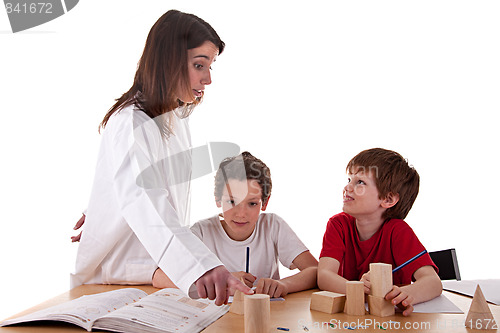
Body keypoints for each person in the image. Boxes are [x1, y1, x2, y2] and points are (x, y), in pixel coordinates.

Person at [70, 9, 252, 306]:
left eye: (211, 67)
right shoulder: (132, 121)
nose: (207, 79)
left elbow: (138, 185)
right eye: (198, 65)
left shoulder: (173, 119)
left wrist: (105, 205)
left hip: (149, 267)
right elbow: (145, 200)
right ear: (169, 61)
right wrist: (203, 266)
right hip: (115, 276)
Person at [152, 152, 318, 298]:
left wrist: (285, 285)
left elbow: (315, 270)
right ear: (218, 199)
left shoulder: (273, 226)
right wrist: (222, 281)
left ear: (264, 203)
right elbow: (159, 276)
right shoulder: (202, 232)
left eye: (252, 204)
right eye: (232, 201)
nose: (241, 213)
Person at [317, 148, 442, 316]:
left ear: (388, 199)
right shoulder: (338, 225)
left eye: (360, 182)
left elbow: (433, 282)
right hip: (352, 320)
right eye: (349, 179)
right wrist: (359, 290)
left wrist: (408, 295)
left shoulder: (398, 232)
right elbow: (324, 275)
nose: (347, 187)